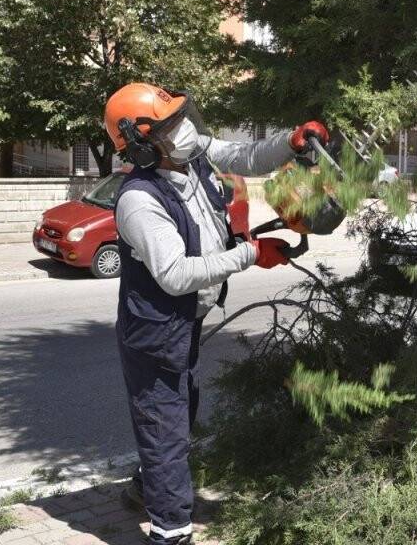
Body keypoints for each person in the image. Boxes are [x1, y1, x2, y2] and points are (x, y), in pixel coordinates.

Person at [103, 82, 328, 545]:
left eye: (182, 118)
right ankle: (171, 531)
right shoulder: (139, 200)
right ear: (142, 144)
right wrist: (249, 254)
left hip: (187, 320)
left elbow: (246, 155)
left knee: (180, 411)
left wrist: (290, 142)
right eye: (169, 126)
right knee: (165, 426)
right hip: (156, 328)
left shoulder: (190, 156)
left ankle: (148, 488)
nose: (185, 130)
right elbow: (177, 275)